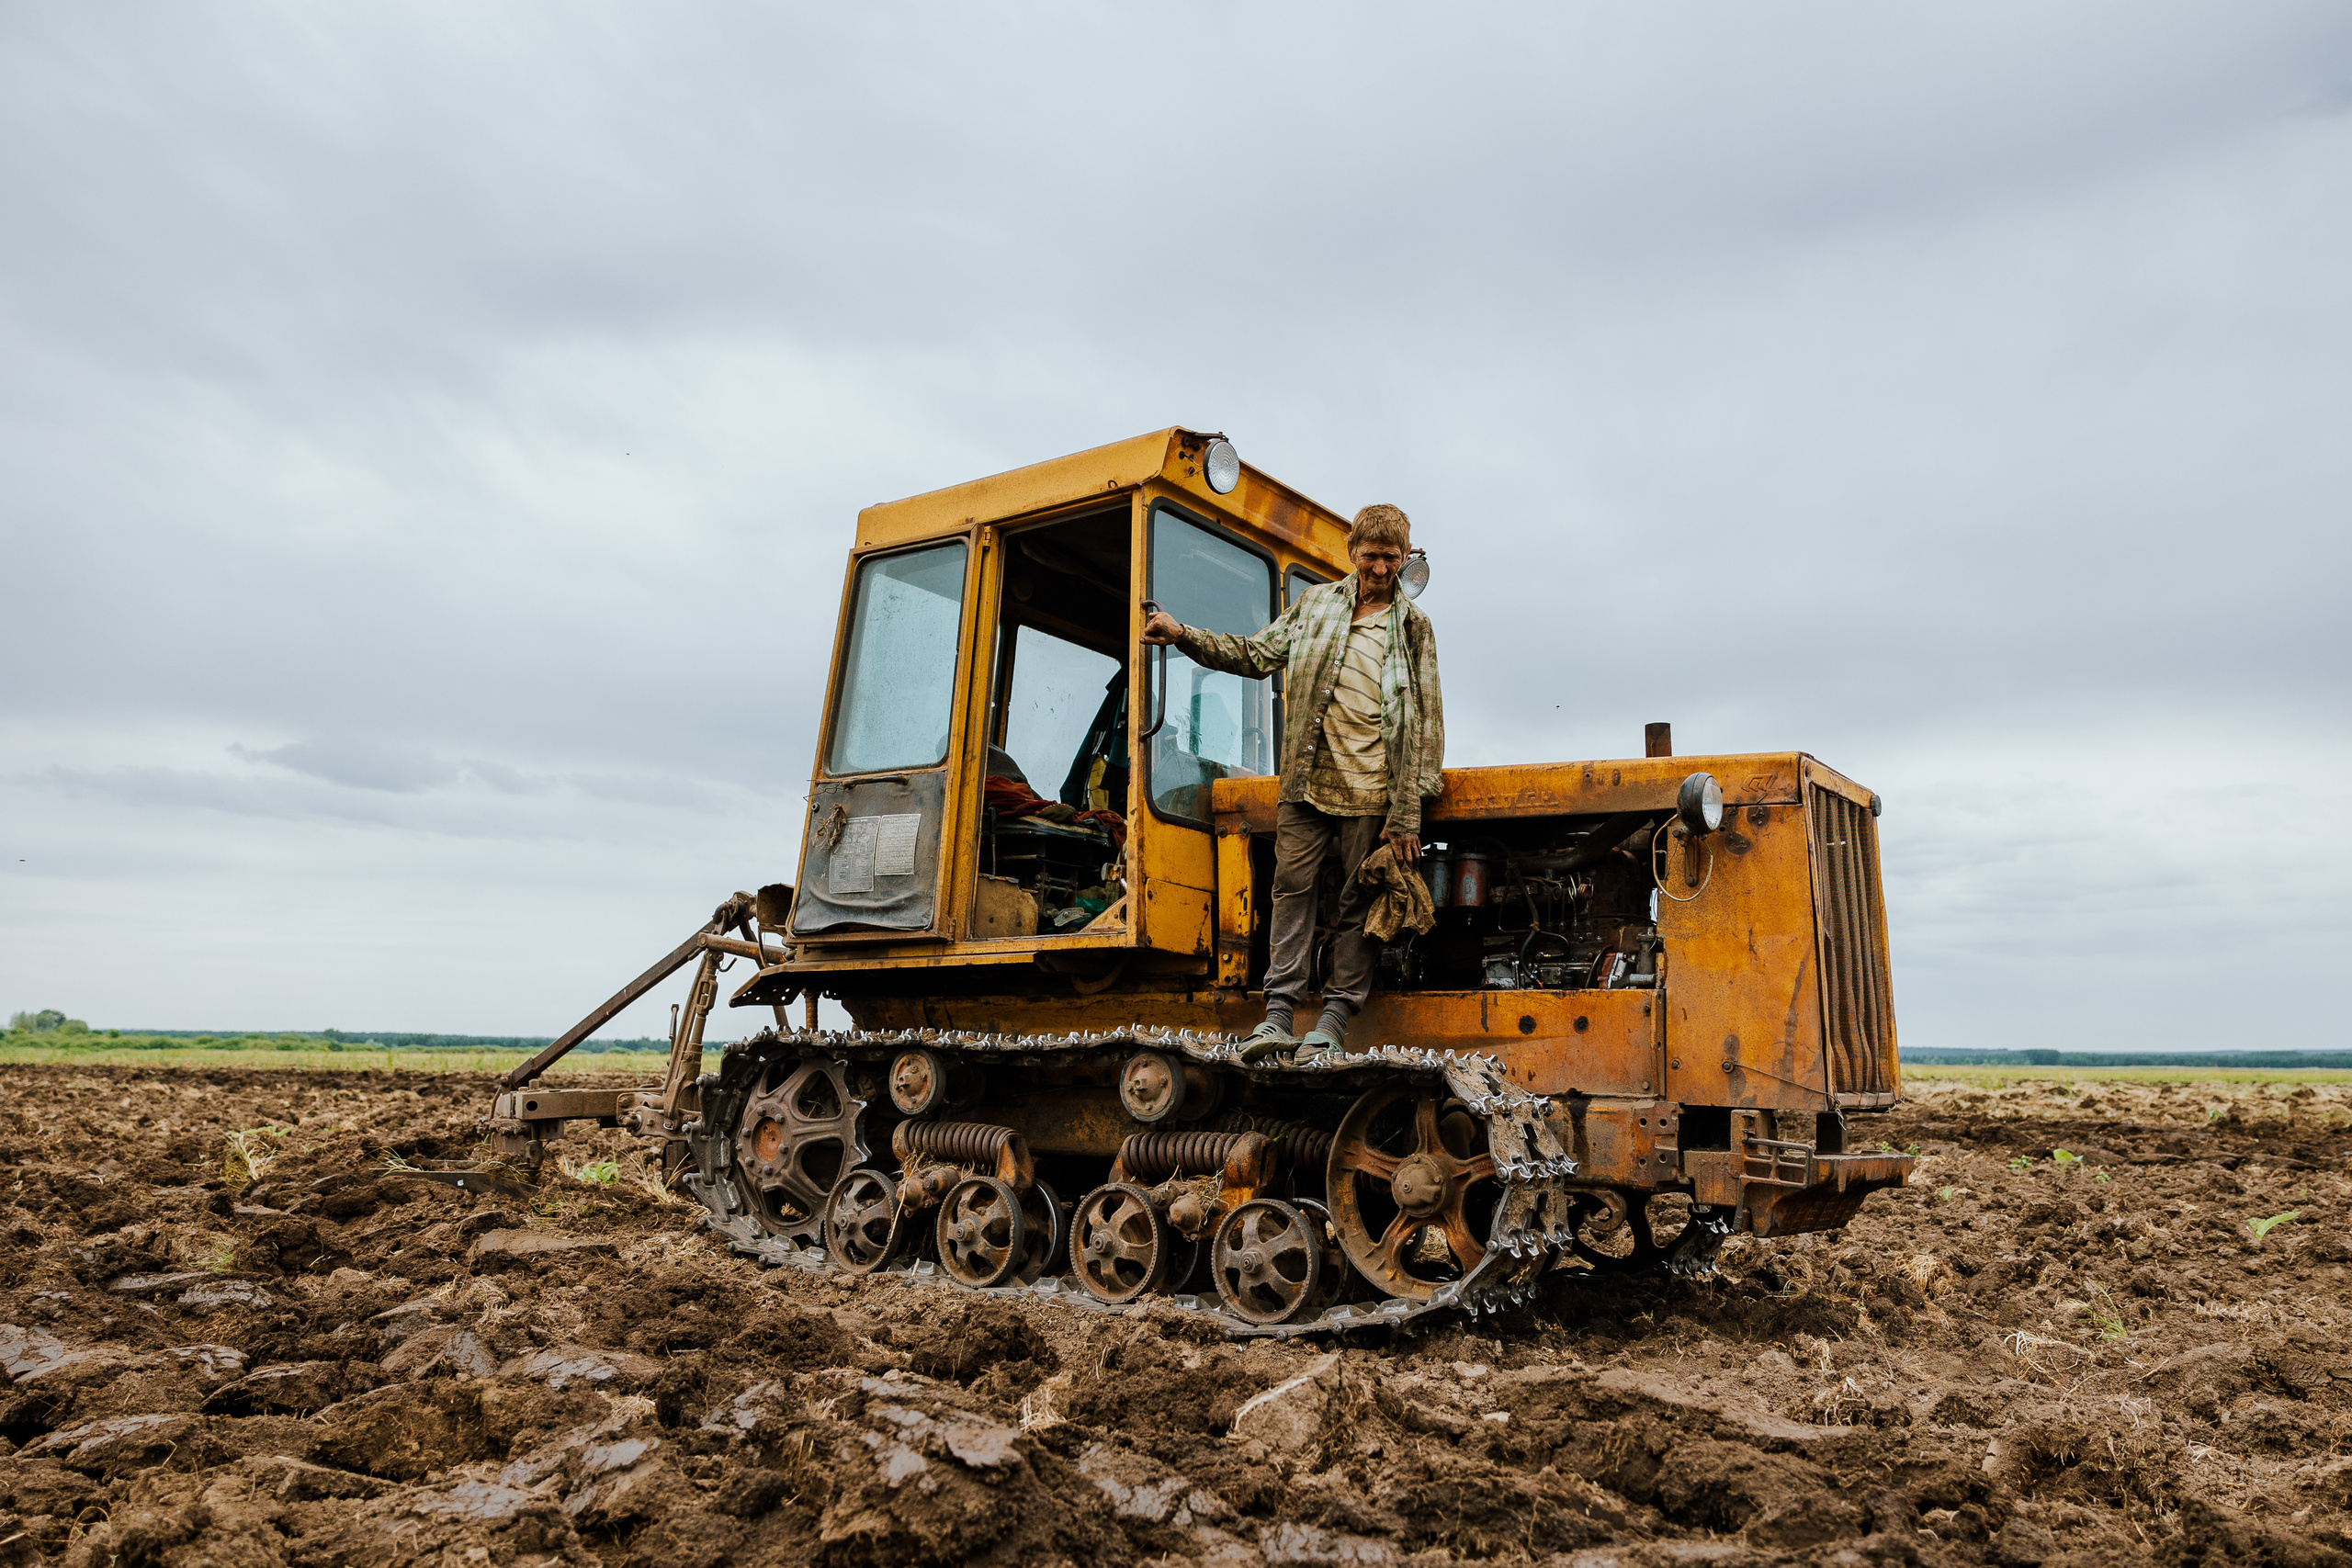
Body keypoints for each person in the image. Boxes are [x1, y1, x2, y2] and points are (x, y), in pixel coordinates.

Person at [1142, 503, 1443, 1059]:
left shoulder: (1413, 628)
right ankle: (1278, 1014)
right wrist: (1181, 634)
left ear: (1405, 560)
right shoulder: (1315, 605)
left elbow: (1424, 722)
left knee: (1357, 902)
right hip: (1305, 781)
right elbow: (1256, 655)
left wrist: (1406, 813)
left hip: (1370, 786)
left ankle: (1333, 1018)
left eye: (1392, 558)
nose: (1381, 568)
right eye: (1372, 556)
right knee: (1290, 893)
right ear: (1353, 553)